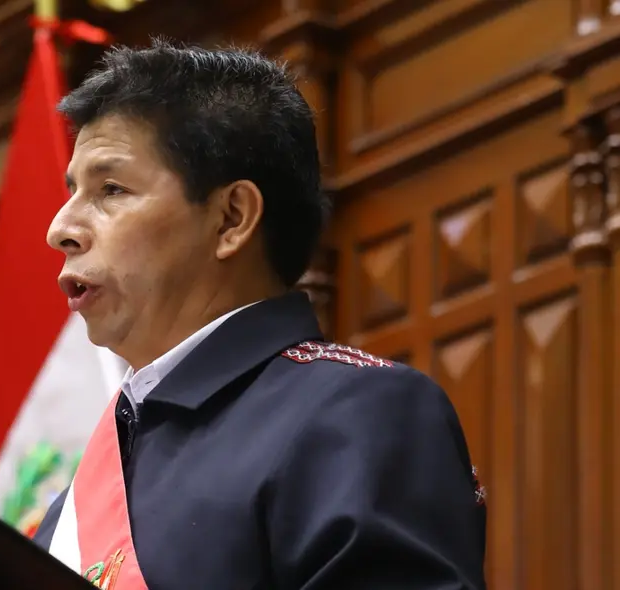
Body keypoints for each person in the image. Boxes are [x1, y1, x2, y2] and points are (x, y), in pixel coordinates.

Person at [33, 40, 487, 590]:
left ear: (232, 217)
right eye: (71, 190)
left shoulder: (355, 413)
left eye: (110, 189)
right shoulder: (67, 516)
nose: (61, 228)